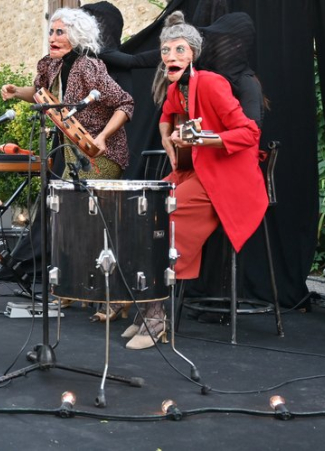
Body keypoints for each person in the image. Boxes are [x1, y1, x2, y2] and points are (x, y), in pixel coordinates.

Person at [118, 11, 267, 350]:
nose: (171, 57)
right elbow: (167, 115)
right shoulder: (179, 87)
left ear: (194, 54)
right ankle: (145, 308)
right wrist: (169, 140)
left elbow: (249, 132)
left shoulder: (212, 83)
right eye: (166, 50)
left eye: (179, 50)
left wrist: (203, 140)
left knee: (167, 220)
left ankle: (156, 317)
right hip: (196, 170)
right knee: (143, 210)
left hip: (227, 177)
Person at [1, 8, 134, 179]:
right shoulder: (53, 65)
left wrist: (102, 137)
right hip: (74, 152)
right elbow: (41, 94)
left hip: (101, 154)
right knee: (64, 200)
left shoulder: (88, 67)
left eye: (59, 32)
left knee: (73, 200)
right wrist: (16, 91)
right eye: (51, 32)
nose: (52, 38)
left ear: (76, 35)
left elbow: (124, 103)